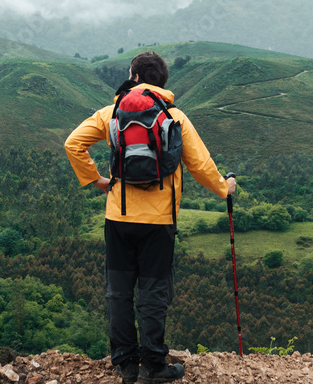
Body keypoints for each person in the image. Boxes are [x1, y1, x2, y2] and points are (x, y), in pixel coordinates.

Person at [65, 51, 237, 384]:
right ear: (162, 81)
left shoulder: (111, 113)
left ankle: (126, 364)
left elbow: (73, 144)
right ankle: (154, 366)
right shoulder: (175, 117)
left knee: (118, 292)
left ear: (133, 76)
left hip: (119, 216)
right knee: (154, 294)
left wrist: (97, 180)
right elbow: (200, 165)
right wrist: (224, 188)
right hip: (159, 222)